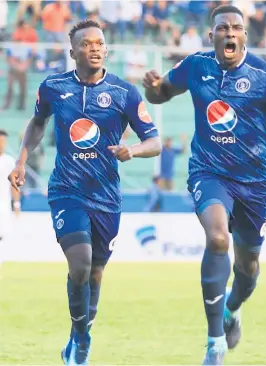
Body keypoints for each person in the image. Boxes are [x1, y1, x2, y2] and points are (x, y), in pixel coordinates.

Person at [141, 5, 266, 365]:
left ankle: (232, 309)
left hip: (253, 185)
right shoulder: (195, 66)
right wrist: (153, 89)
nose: (230, 34)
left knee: (248, 269)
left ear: (245, 36)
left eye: (236, 28)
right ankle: (214, 342)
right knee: (218, 238)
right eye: (223, 28)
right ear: (213, 36)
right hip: (208, 173)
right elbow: (161, 94)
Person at [7, 19, 161, 366]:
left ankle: (78, 335)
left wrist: (132, 150)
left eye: (100, 43)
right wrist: (20, 161)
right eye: (87, 43)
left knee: (95, 274)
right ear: (72, 50)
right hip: (67, 191)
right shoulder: (53, 87)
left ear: (106, 49)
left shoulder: (124, 93)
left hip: (106, 196)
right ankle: (82, 340)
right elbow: (36, 123)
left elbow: (154, 141)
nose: (94, 47)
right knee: (80, 265)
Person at [0, 130, 20, 272]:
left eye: (3, 141)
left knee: (1, 235)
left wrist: (16, 203)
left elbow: (14, 185)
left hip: (3, 204)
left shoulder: (8, 161)